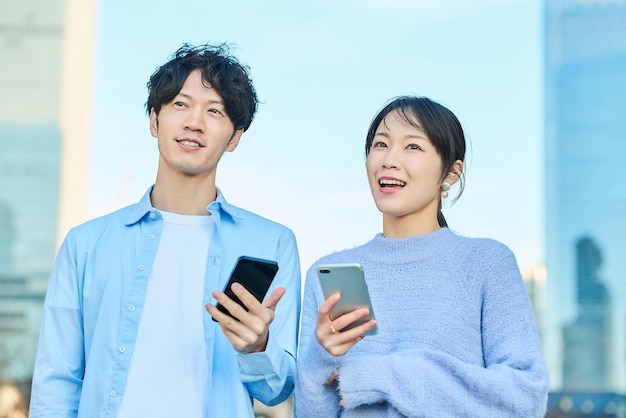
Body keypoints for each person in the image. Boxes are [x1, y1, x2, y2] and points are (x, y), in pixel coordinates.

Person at [29, 43, 301, 418]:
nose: (194, 122)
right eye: (180, 104)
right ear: (154, 121)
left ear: (235, 137)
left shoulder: (273, 243)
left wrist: (257, 347)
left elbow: (278, 391)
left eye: (215, 111)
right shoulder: (85, 244)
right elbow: (56, 383)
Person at [294, 96, 549, 417]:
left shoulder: (487, 263)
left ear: (451, 173)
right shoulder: (329, 272)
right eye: (380, 144)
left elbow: (525, 397)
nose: (389, 159)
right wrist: (321, 358)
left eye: (412, 147)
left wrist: (380, 375)